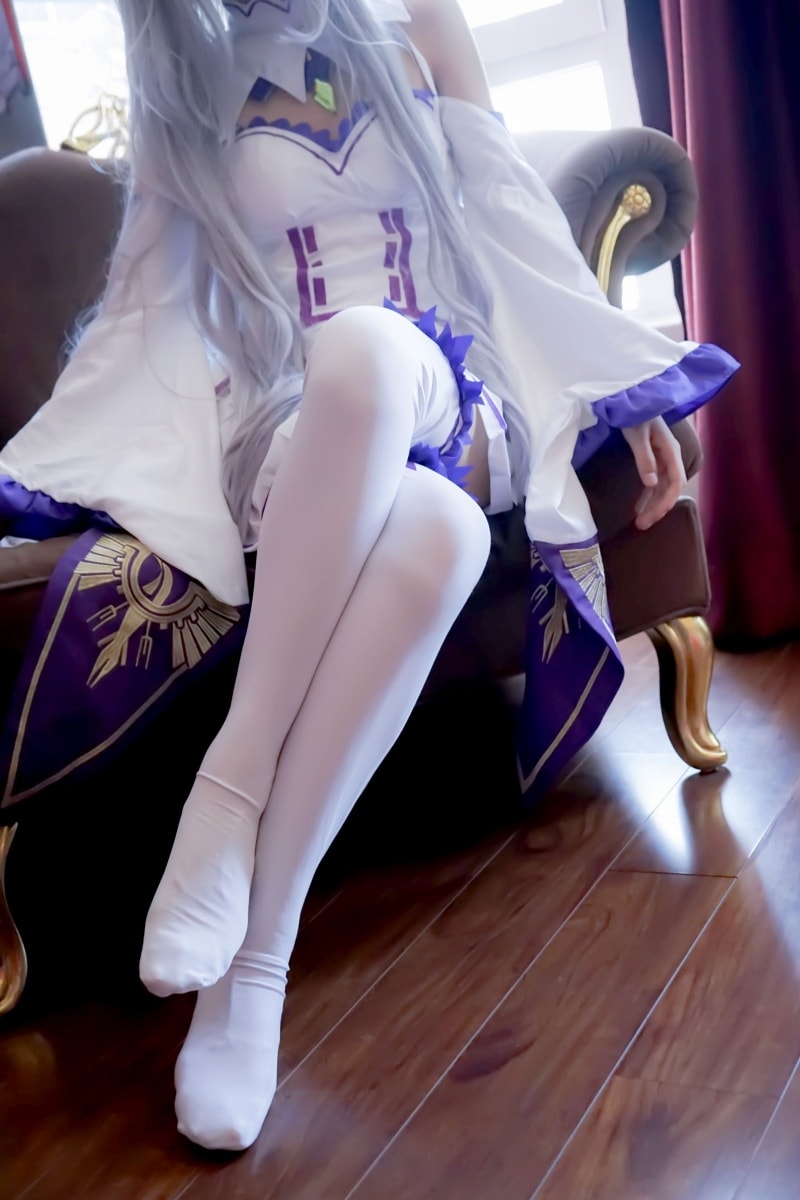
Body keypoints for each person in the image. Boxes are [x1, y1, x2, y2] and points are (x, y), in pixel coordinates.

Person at [0, 0, 737, 1152]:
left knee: (363, 347)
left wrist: (617, 385)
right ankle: (254, 968)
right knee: (435, 534)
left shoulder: (418, 22)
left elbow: (509, 216)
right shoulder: (190, 68)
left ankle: (229, 792)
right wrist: (59, 462)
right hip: (301, 431)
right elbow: (147, 288)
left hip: (451, 392)